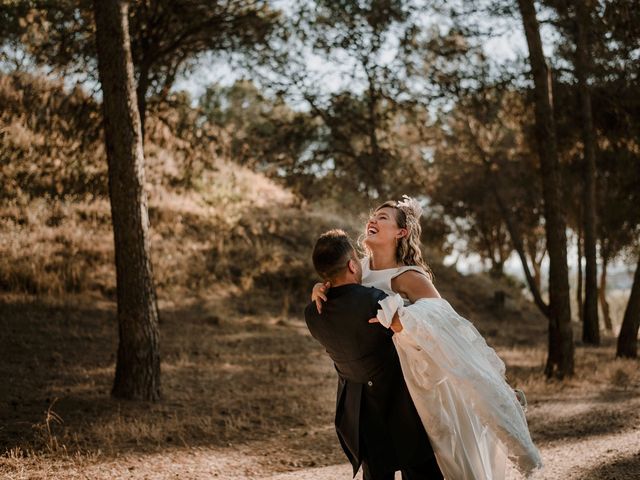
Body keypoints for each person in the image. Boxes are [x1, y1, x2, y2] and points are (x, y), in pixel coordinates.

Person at [311, 196, 543, 479]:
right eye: (373, 215)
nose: (373, 220)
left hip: (412, 385)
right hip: (373, 391)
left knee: (427, 466)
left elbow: (446, 327)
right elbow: (343, 291)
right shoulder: (358, 268)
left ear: (401, 232)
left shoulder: (411, 278)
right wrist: (320, 287)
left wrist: (404, 321)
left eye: (383, 217)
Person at [304, 229, 444, 480]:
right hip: (400, 405)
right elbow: (420, 327)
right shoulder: (375, 301)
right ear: (351, 265)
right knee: (424, 473)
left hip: (358, 413)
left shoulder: (313, 313)